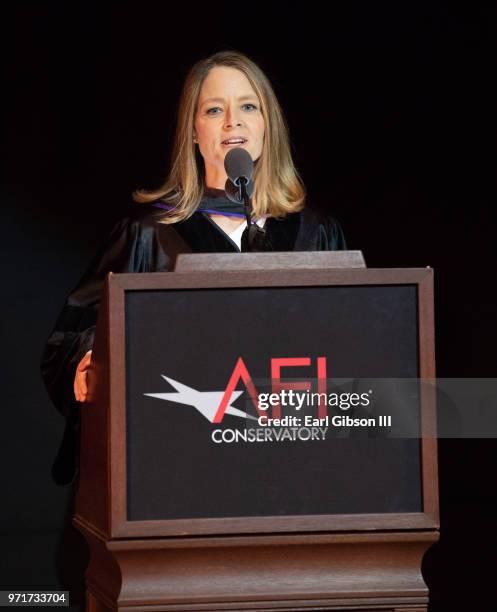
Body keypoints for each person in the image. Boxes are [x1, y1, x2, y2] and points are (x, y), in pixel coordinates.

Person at [41, 50, 346, 486]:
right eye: (214, 110)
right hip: (174, 471)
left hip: (296, 468)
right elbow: (69, 338)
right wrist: (93, 356)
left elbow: (352, 344)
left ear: (267, 126)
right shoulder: (148, 235)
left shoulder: (316, 234)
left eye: (247, 106)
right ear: (194, 133)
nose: (232, 123)